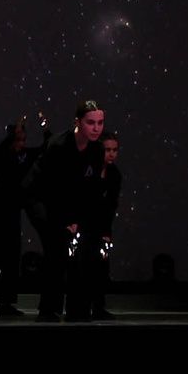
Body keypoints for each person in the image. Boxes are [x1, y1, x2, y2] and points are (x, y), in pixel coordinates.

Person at [32, 102, 107, 321]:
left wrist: (79, 220)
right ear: (77, 122)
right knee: (55, 248)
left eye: (100, 123)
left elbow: (89, 189)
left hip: (71, 201)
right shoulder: (58, 145)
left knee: (83, 248)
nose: (96, 128)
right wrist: (66, 219)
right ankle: (48, 309)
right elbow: (51, 188)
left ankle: (78, 309)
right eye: (90, 123)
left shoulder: (97, 149)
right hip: (41, 198)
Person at [0, 115, 44, 317]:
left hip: (14, 210)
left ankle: (5, 303)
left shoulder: (25, 155)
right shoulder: (1, 154)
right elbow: (1, 149)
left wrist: (45, 128)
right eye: (17, 139)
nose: (21, 144)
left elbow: (46, 147)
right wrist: (13, 133)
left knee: (12, 257)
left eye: (23, 140)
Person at [67, 131, 123, 321]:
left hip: (100, 225)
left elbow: (111, 204)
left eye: (114, 150)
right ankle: (77, 309)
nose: (111, 154)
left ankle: (98, 307)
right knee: (80, 266)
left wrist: (106, 232)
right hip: (82, 223)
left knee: (100, 266)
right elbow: (76, 195)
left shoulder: (115, 175)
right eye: (107, 149)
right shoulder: (87, 167)